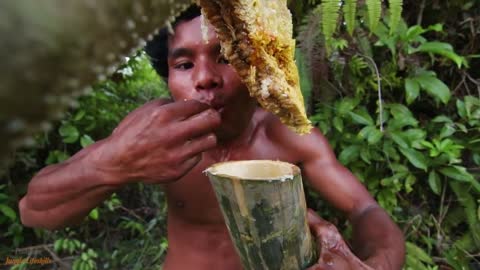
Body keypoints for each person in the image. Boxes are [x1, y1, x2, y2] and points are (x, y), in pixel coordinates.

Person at [19, 5, 405, 270]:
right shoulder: (149, 133)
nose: (204, 77)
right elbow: (33, 211)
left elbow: (365, 210)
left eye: (225, 57)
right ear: (168, 78)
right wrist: (112, 164)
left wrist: (372, 264)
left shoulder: (288, 136)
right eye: (184, 64)